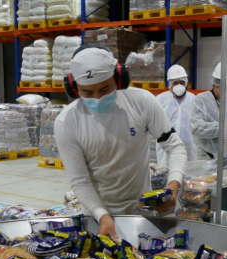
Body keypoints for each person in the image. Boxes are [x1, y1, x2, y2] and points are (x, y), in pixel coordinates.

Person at [55, 45, 187, 239]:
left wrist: (173, 185)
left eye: (105, 88)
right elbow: (80, 181)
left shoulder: (142, 102)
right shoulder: (67, 122)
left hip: (142, 211)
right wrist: (102, 215)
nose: (98, 98)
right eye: (88, 92)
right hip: (97, 214)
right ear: (74, 88)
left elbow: (175, 147)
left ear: (119, 78)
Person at [156, 65, 196, 166]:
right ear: (170, 84)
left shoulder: (194, 100)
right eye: (175, 83)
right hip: (167, 148)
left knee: (189, 176)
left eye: (182, 82)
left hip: (189, 147)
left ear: (186, 82)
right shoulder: (160, 100)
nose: (179, 85)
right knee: (167, 175)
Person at [189, 62, 221, 160]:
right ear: (217, 84)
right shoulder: (201, 100)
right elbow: (196, 127)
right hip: (207, 157)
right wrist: (222, 128)